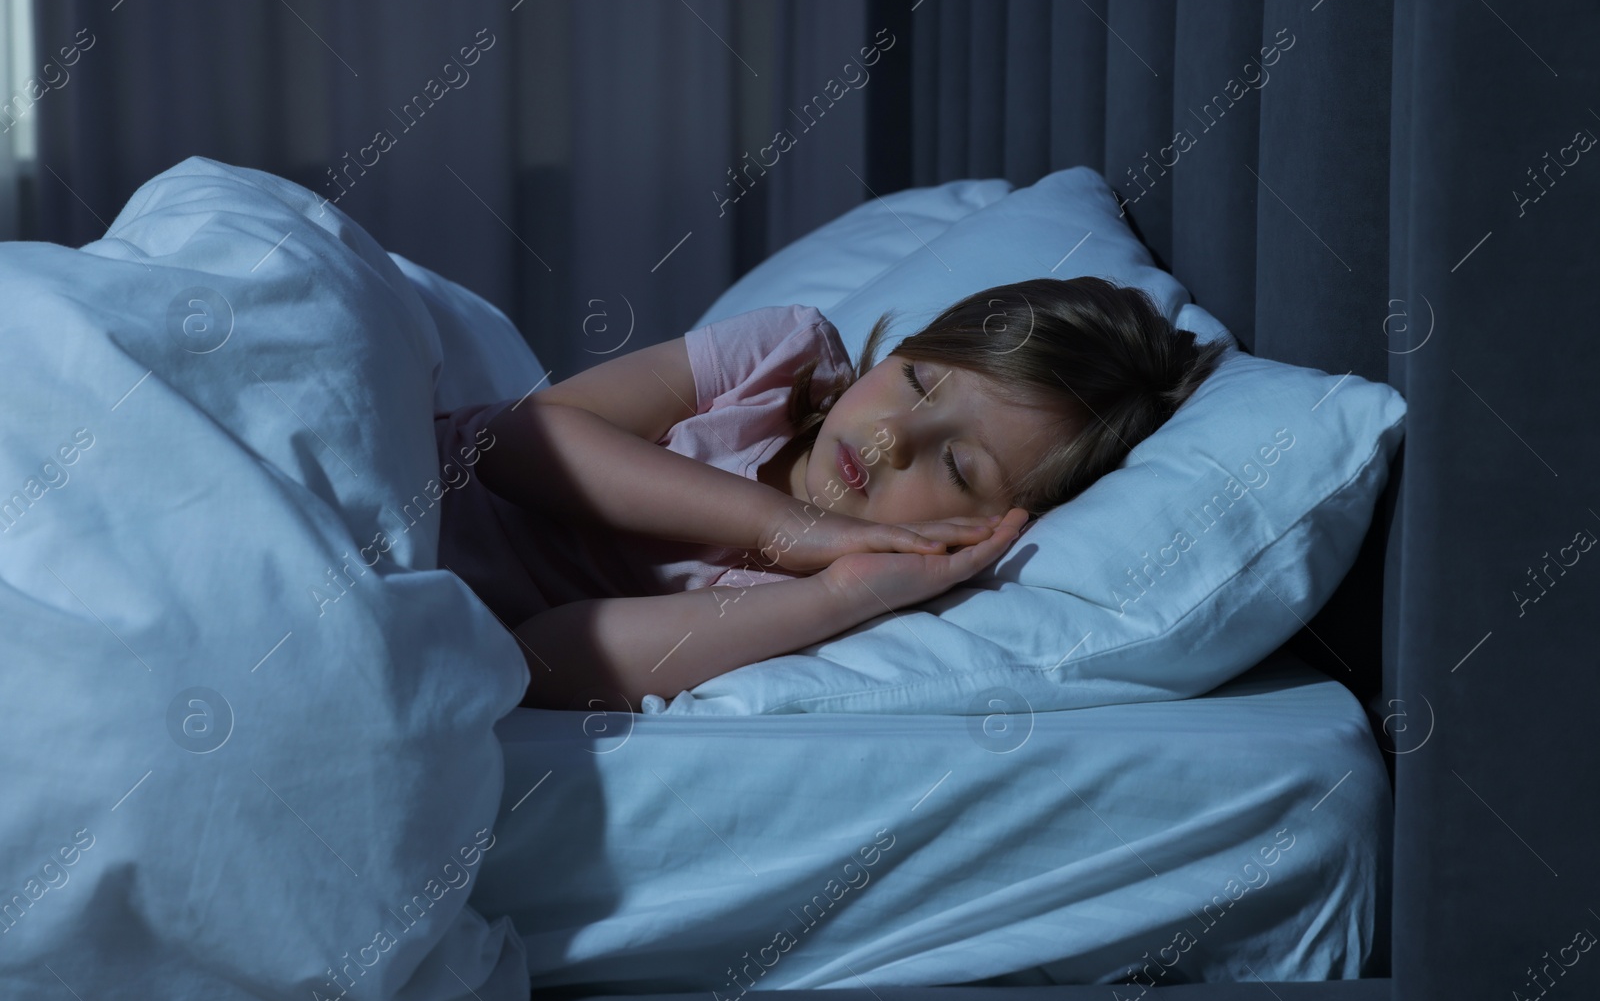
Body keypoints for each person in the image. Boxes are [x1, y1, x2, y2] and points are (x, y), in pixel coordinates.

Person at [432, 276, 1230, 712]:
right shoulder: (780, 358)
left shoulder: (808, 606)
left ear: (983, 529)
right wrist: (785, 522)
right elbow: (511, 445)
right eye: (918, 378)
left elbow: (540, 660)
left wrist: (834, 592)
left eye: (957, 468)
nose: (893, 437)